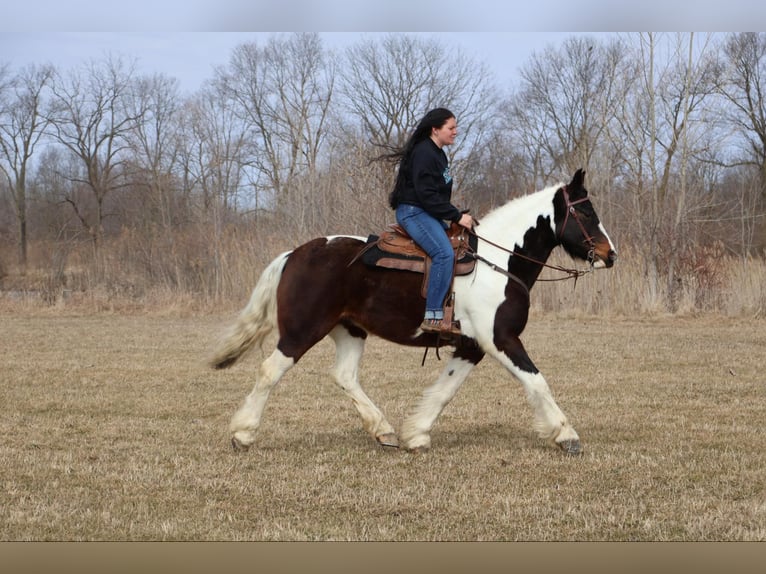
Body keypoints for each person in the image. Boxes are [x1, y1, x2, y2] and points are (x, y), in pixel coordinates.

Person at [385, 107, 475, 336]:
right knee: (444, 254)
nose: (456, 132)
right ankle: (433, 316)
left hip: (428, 213)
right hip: (414, 212)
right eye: (451, 128)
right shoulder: (425, 153)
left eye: (456, 127)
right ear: (435, 130)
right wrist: (456, 216)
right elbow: (427, 196)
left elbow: (437, 196)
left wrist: (452, 214)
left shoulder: (439, 154)